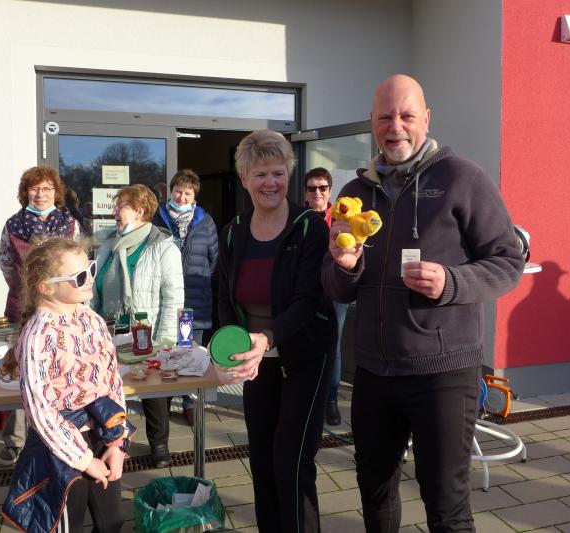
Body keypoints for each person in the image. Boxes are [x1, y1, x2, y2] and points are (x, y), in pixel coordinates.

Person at [321, 74, 524, 532]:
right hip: (373, 373)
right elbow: (336, 289)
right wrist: (345, 267)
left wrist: (451, 281)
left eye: (407, 116)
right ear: (372, 122)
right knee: (374, 492)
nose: (395, 126)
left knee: (446, 504)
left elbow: (508, 261)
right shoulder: (353, 194)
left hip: (443, 374)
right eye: (385, 117)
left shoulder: (463, 178)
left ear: (426, 118)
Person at [218, 130, 334, 532]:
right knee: (263, 460)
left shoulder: (309, 227)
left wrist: (267, 338)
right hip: (257, 362)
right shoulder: (233, 232)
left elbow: (309, 300)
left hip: (305, 355)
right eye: (261, 174)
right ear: (244, 179)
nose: (271, 182)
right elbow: (225, 297)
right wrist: (231, 346)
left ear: (289, 175)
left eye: (279, 172)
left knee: (292, 463)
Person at [0, 237, 127, 533]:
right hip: (59, 447)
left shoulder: (92, 320)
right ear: (47, 287)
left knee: (112, 521)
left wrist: (117, 442)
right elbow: (40, 411)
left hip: (101, 432)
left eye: (90, 269)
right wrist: (84, 460)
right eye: (79, 276)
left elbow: (112, 382)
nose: (90, 279)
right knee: (68, 526)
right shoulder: (38, 334)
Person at [91, 184, 183, 468]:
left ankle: (159, 444)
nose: (115, 211)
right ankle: (112, 441)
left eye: (121, 205)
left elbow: (174, 297)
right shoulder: (108, 244)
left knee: (153, 392)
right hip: (108, 332)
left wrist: (165, 341)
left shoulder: (162, 247)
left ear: (140, 211)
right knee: (108, 390)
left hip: (146, 333)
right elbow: (95, 289)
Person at [0, 165, 81, 466]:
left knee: (62, 368)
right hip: (22, 308)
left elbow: (78, 265)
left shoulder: (69, 224)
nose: (41, 194)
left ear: (56, 192)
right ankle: (15, 440)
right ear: (26, 193)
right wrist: (26, 291)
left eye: (47, 188)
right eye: (35, 188)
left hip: (63, 309)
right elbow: (6, 263)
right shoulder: (13, 225)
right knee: (20, 371)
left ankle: (62, 434)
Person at [153, 169, 219, 426]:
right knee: (168, 349)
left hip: (194, 297)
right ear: (171, 192)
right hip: (165, 297)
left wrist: (197, 280)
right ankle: (164, 400)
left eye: (187, 193)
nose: (182, 197)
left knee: (191, 351)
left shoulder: (205, 221)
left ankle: (190, 402)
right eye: (178, 191)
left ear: (194, 196)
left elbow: (213, 260)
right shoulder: (157, 217)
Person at [304, 167, 347, 426]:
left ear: (330, 191)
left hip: (334, 291)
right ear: (305, 192)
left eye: (322, 188)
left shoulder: (341, 218)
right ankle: (309, 398)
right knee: (304, 343)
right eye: (312, 188)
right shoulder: (298, 219)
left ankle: (330, 399)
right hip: (305, 291)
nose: (317, 192)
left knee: (334, 344)